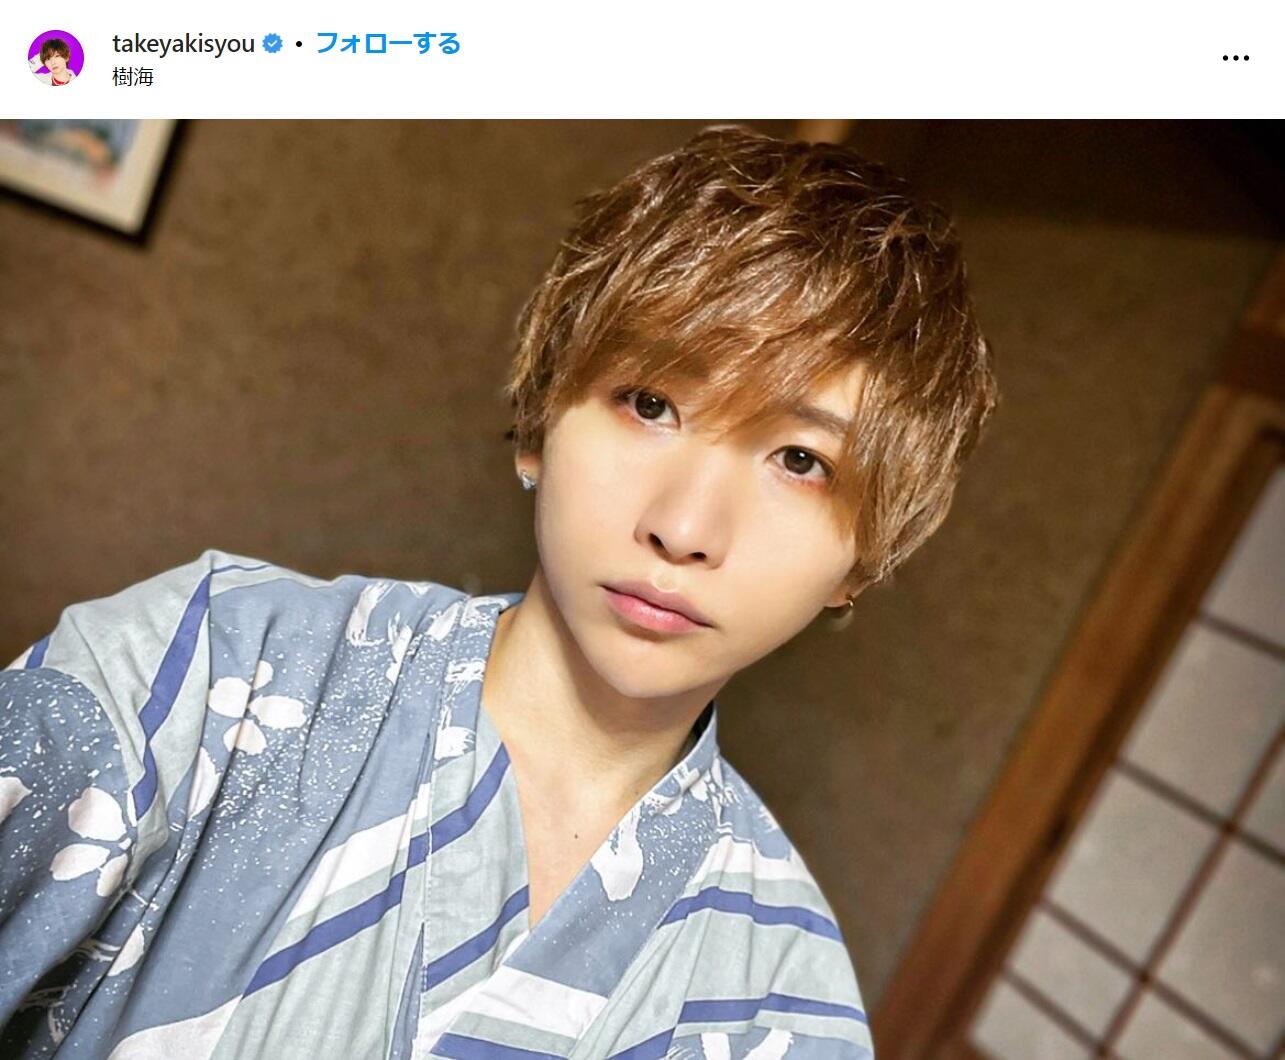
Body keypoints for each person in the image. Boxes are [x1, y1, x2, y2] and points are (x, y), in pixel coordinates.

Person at [0, 125, 998, 1058]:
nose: (684, 528)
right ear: (540, 422)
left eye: (800, 460)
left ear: (862, 558)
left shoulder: (785, 997)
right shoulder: (205, 671)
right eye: (650, 403)